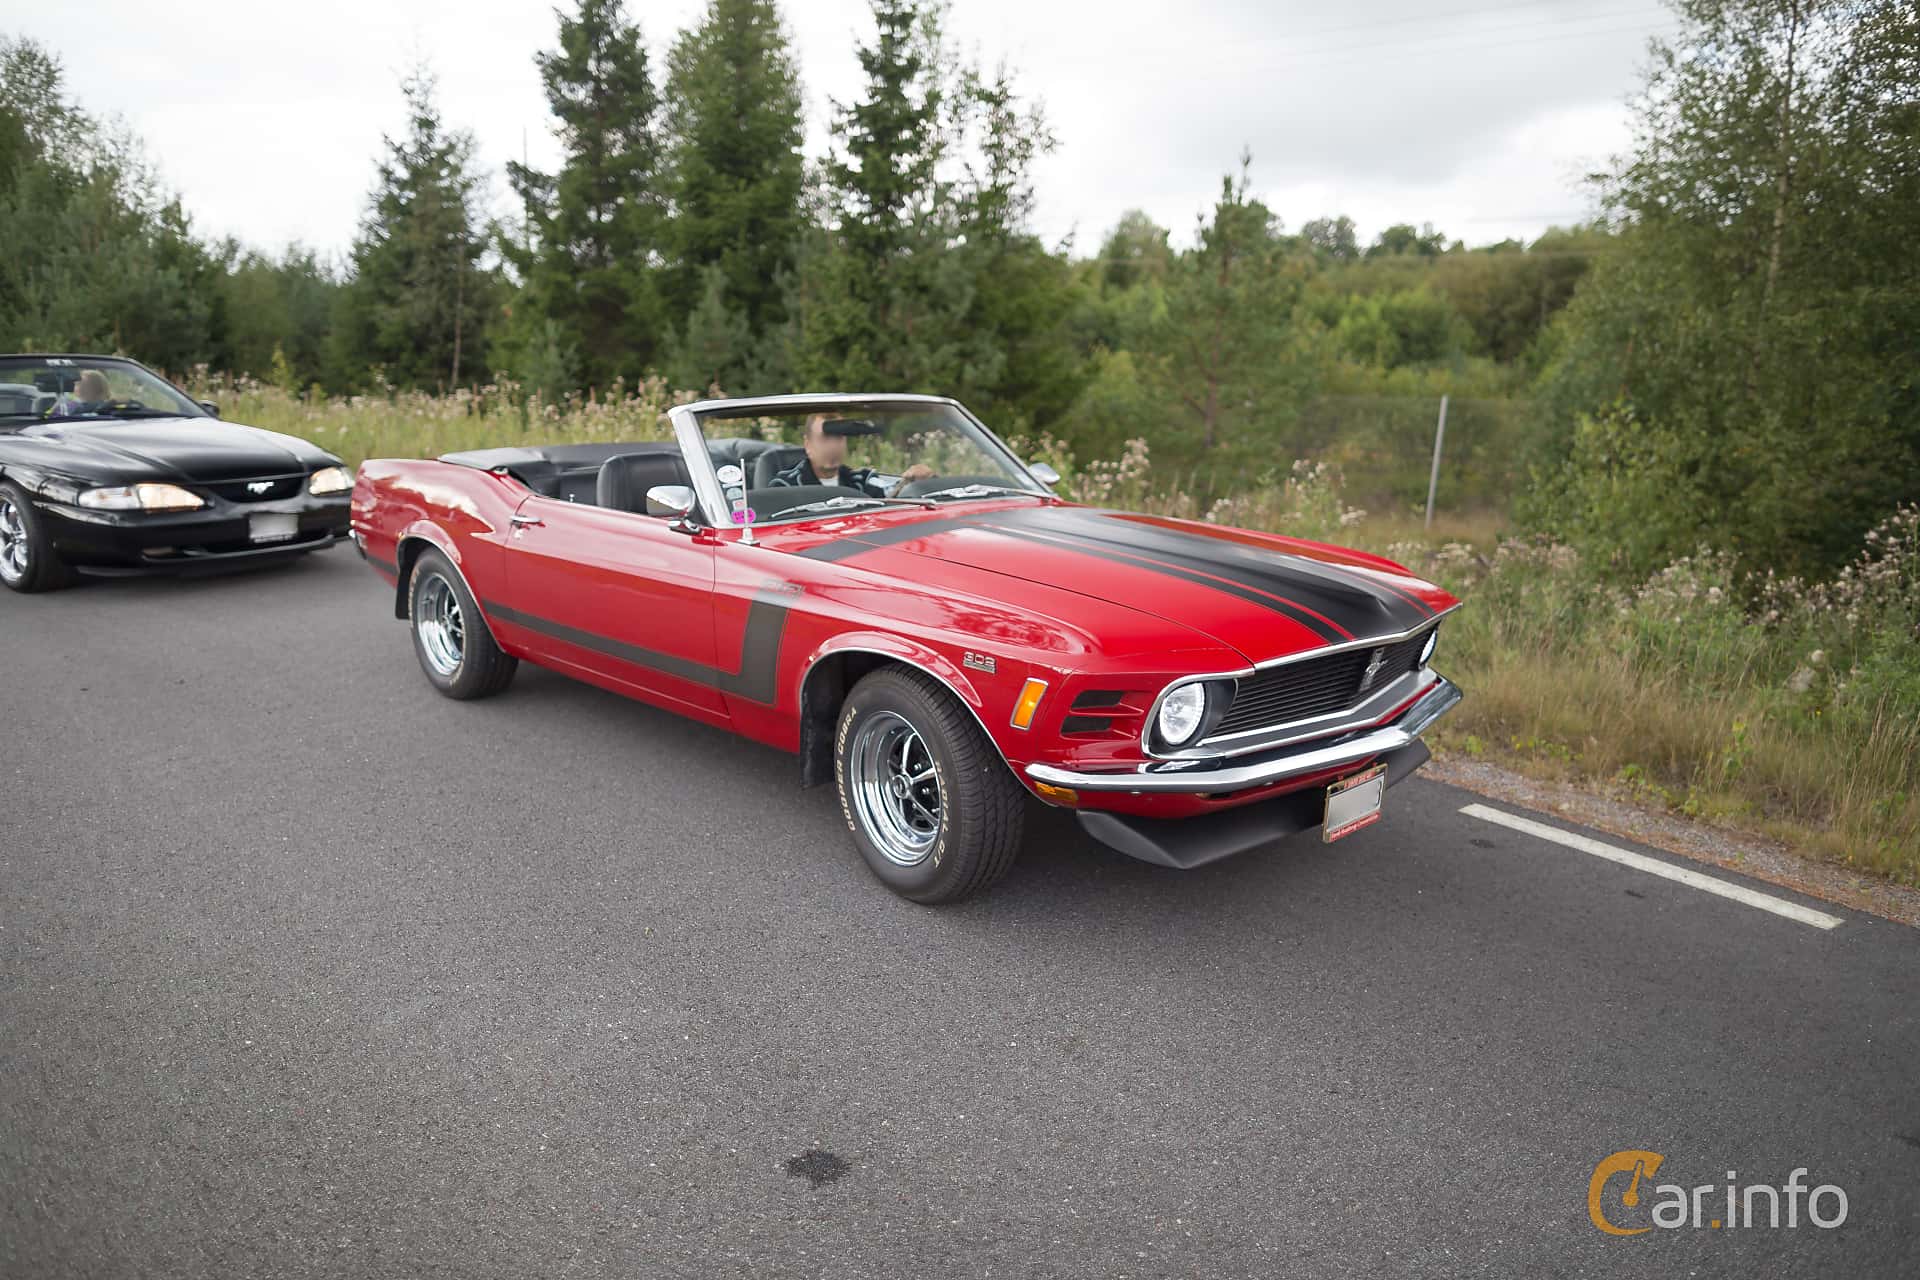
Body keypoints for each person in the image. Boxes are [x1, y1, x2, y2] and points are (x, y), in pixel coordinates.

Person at [769, 413, 932, 497]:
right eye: (825, 438)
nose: (833, 446)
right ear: (808, 444)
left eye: (838, 437)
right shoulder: (785, 486)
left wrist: (911, 481)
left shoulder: (862, 480)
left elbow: (891, 497)